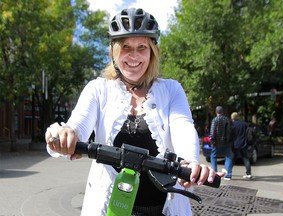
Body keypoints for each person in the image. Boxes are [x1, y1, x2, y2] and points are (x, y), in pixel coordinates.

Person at [45, 8, 223, 216]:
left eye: (142, 47)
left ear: (152, 52)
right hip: (107, 208)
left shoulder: (171, 90)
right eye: (126, 47)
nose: (134, 55)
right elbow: (79, 123)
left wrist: (190, 162)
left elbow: (182, 126)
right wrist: (67, 133)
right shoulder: (98, 89)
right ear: (114, 51)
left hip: (164, 209)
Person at [209, 106, 233, 180]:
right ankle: (228, 174)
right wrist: (229, 140)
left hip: (216, 142)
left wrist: (212, 141)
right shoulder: (227, 119)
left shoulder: (214, 120)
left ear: (216, 112)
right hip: (226, 141)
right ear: (222, 112)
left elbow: (212, 132)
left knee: (213, 156)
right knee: (228, 156)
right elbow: (229, 131)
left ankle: (215, 173)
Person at [231, 112, 252, 179]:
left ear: (232, 117)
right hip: (243, 143)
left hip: (235, 144)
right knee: (245, 158)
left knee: (232, 159)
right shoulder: (243, 124)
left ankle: (228, 172)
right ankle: (248, 173)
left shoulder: (232, 124)